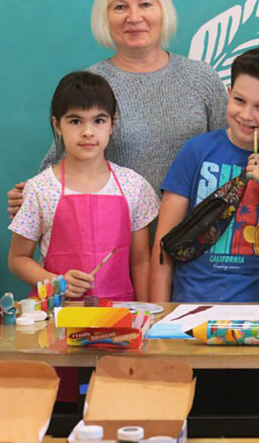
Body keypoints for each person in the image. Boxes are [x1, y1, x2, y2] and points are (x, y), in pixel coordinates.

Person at [7, 0, 226, 215]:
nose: (134, 17)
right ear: (105, 17)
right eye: (120, 7)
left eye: (145, 4)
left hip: (195, 231)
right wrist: (32, 198)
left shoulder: (202, 78)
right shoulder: (91, 84)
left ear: (163, 10)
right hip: (111, 231)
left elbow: (230, 154)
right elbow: (59, 165)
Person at [150, 47, 259, 303]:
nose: (246, 115)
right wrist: (159, 312)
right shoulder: (196, 151)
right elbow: (164, 245)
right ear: (228, 94)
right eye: (239, 101)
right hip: (193, 302)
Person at [8, 71, 158, 301]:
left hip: (120, 314)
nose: (88, 132)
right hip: (57, 315)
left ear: (112, 124)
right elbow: (18, 259)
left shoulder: (134, 186)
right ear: (57, 125)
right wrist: (56, 283)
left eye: (99, 121)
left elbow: (141, 261)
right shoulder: (40, 189)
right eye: (75, 121)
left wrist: (149, 312)